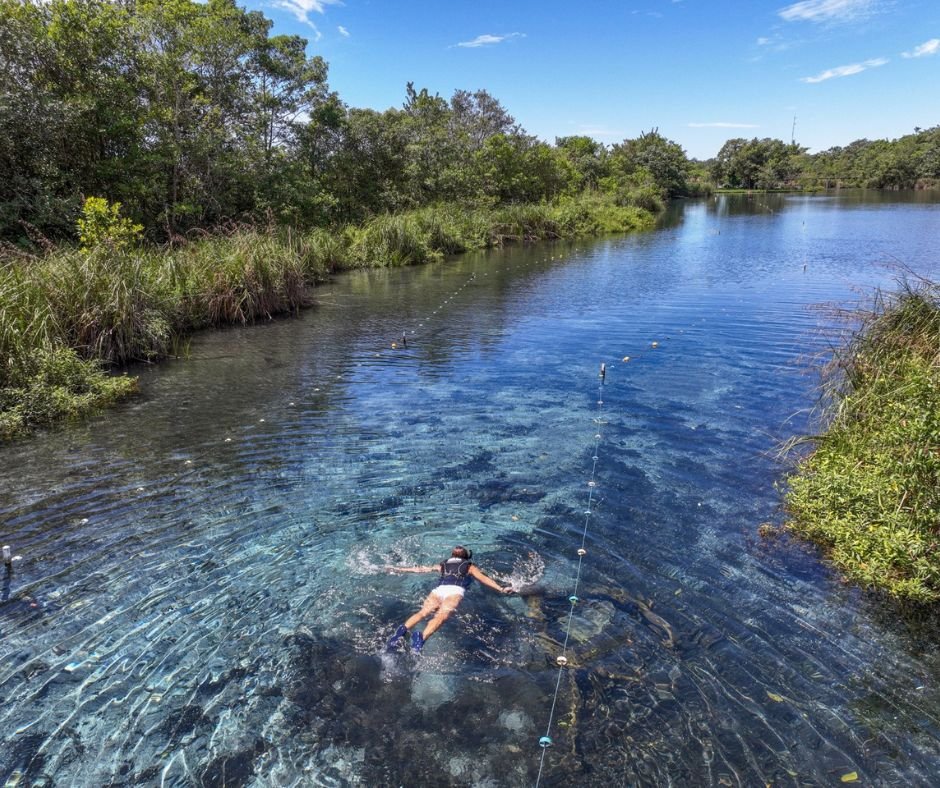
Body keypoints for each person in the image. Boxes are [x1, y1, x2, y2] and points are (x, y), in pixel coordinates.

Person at [385, 546, 513, 653]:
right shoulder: (462, 566)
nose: (459, 548)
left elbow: (421, 569)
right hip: (451, 591)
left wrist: (500, 588)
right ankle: (413, 638)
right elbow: (420, 569)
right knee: (438, 615)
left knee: (427, 613)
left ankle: (405, 637)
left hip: (444, 590)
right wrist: (398, 569)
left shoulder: (453, 565)